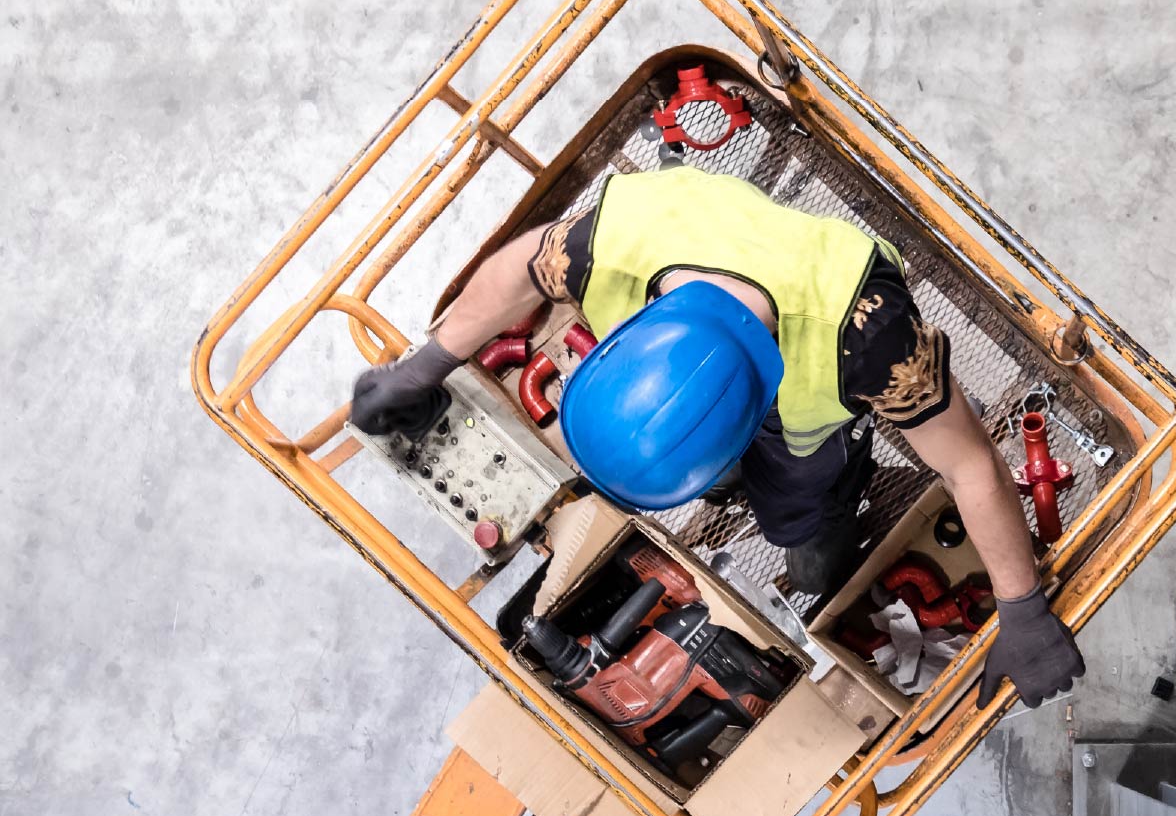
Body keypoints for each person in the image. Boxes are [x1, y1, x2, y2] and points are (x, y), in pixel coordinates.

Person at [349, 162, 1084, 708]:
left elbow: (970, 465)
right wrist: (426, 365)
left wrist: (1022, 607)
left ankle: (834, 493)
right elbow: (521, 269)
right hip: (730, 321)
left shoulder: (872, 342)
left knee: (802, 530)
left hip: (811, 400)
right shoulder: (618, 240)